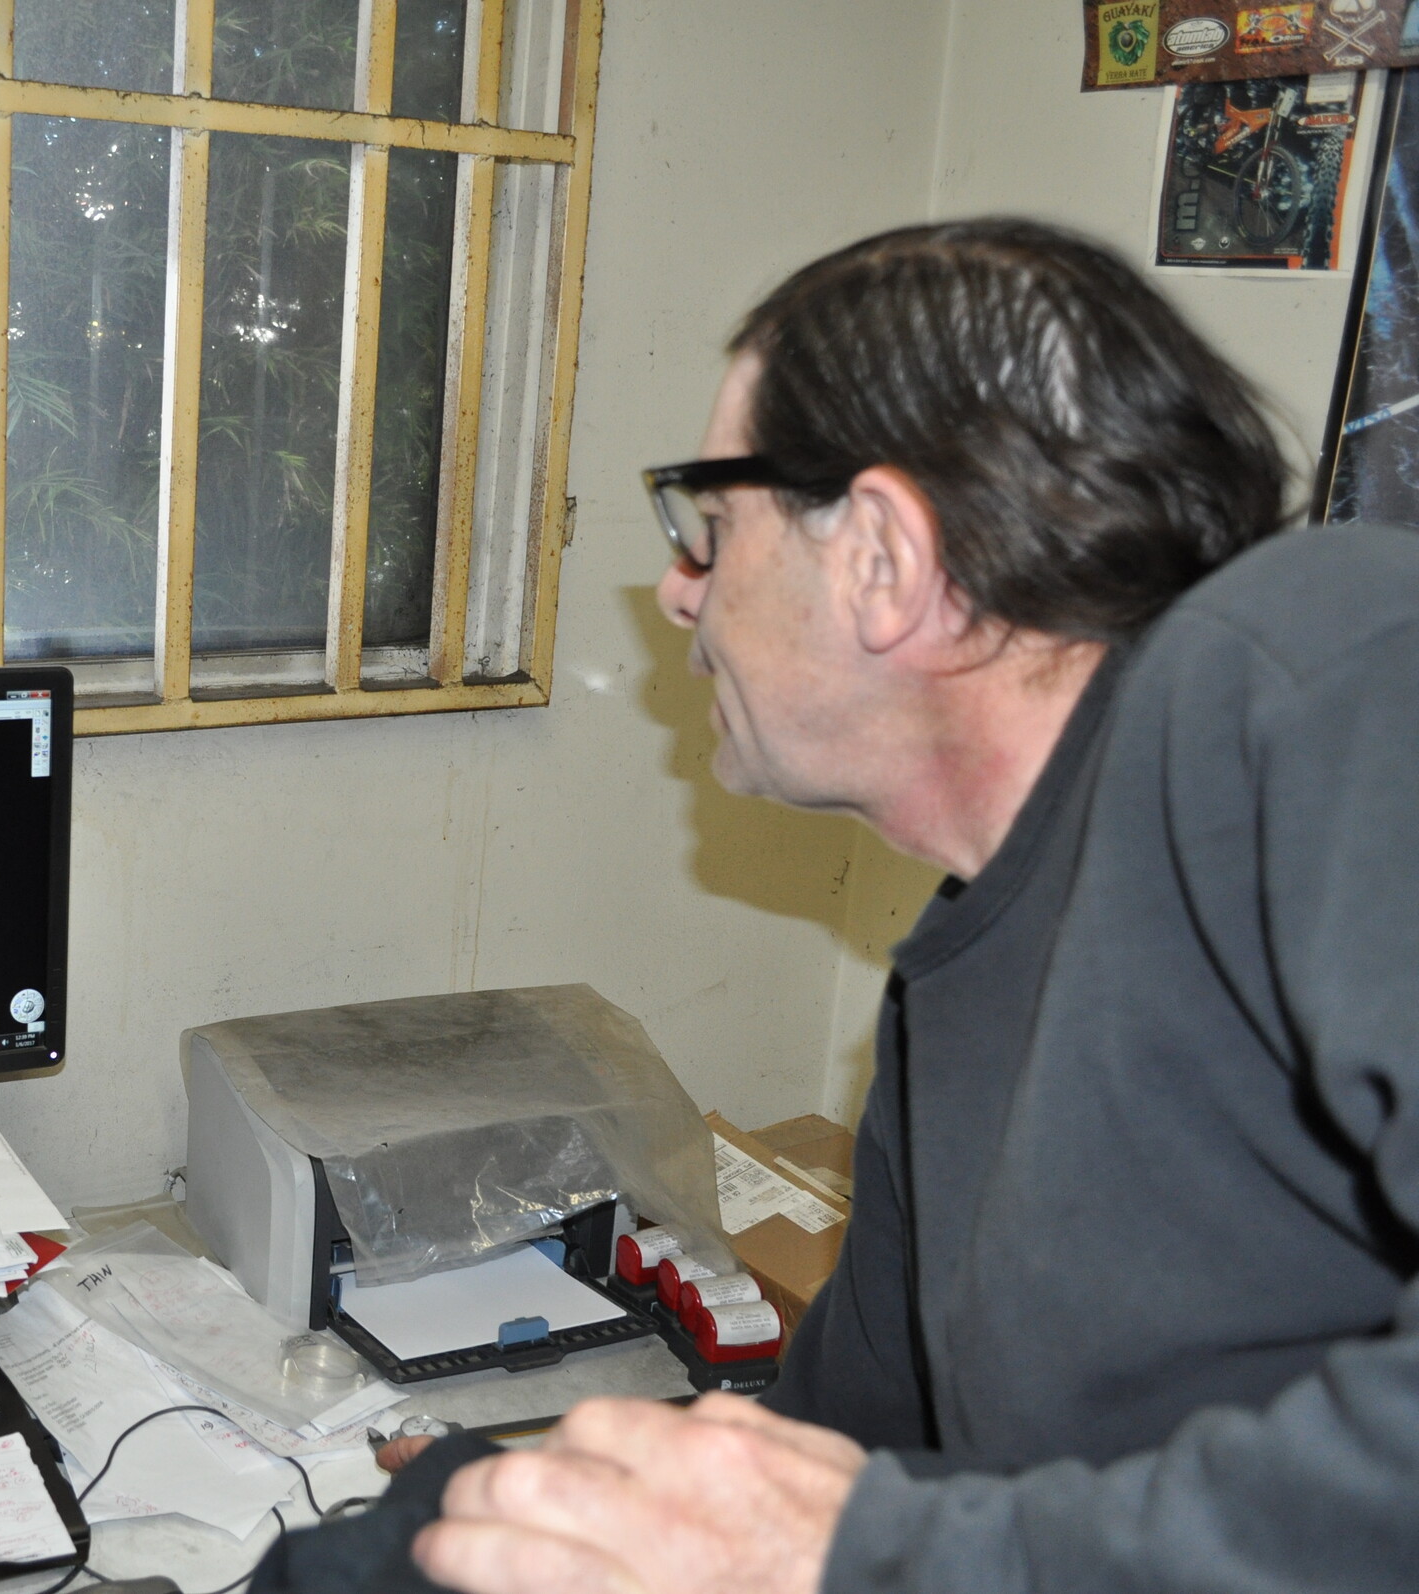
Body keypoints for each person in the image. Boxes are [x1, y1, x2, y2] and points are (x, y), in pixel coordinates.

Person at [404, 219, 1419, 1593]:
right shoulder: (962, 978)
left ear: (881, 553)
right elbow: (852, 1454)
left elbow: (875, 1538)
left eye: (708, 527)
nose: (676, 591)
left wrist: (867, 1553)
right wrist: (565, 1507)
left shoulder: (1319, 662)